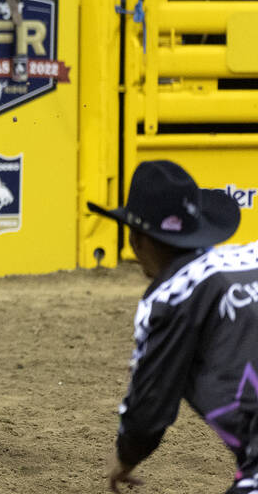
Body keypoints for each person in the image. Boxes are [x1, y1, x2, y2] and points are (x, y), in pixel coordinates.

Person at [87, 161, 246, 493]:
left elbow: (150, 402)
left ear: (137, 240)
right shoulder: (252, 257)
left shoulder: (171, 297)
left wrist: (126, 456)